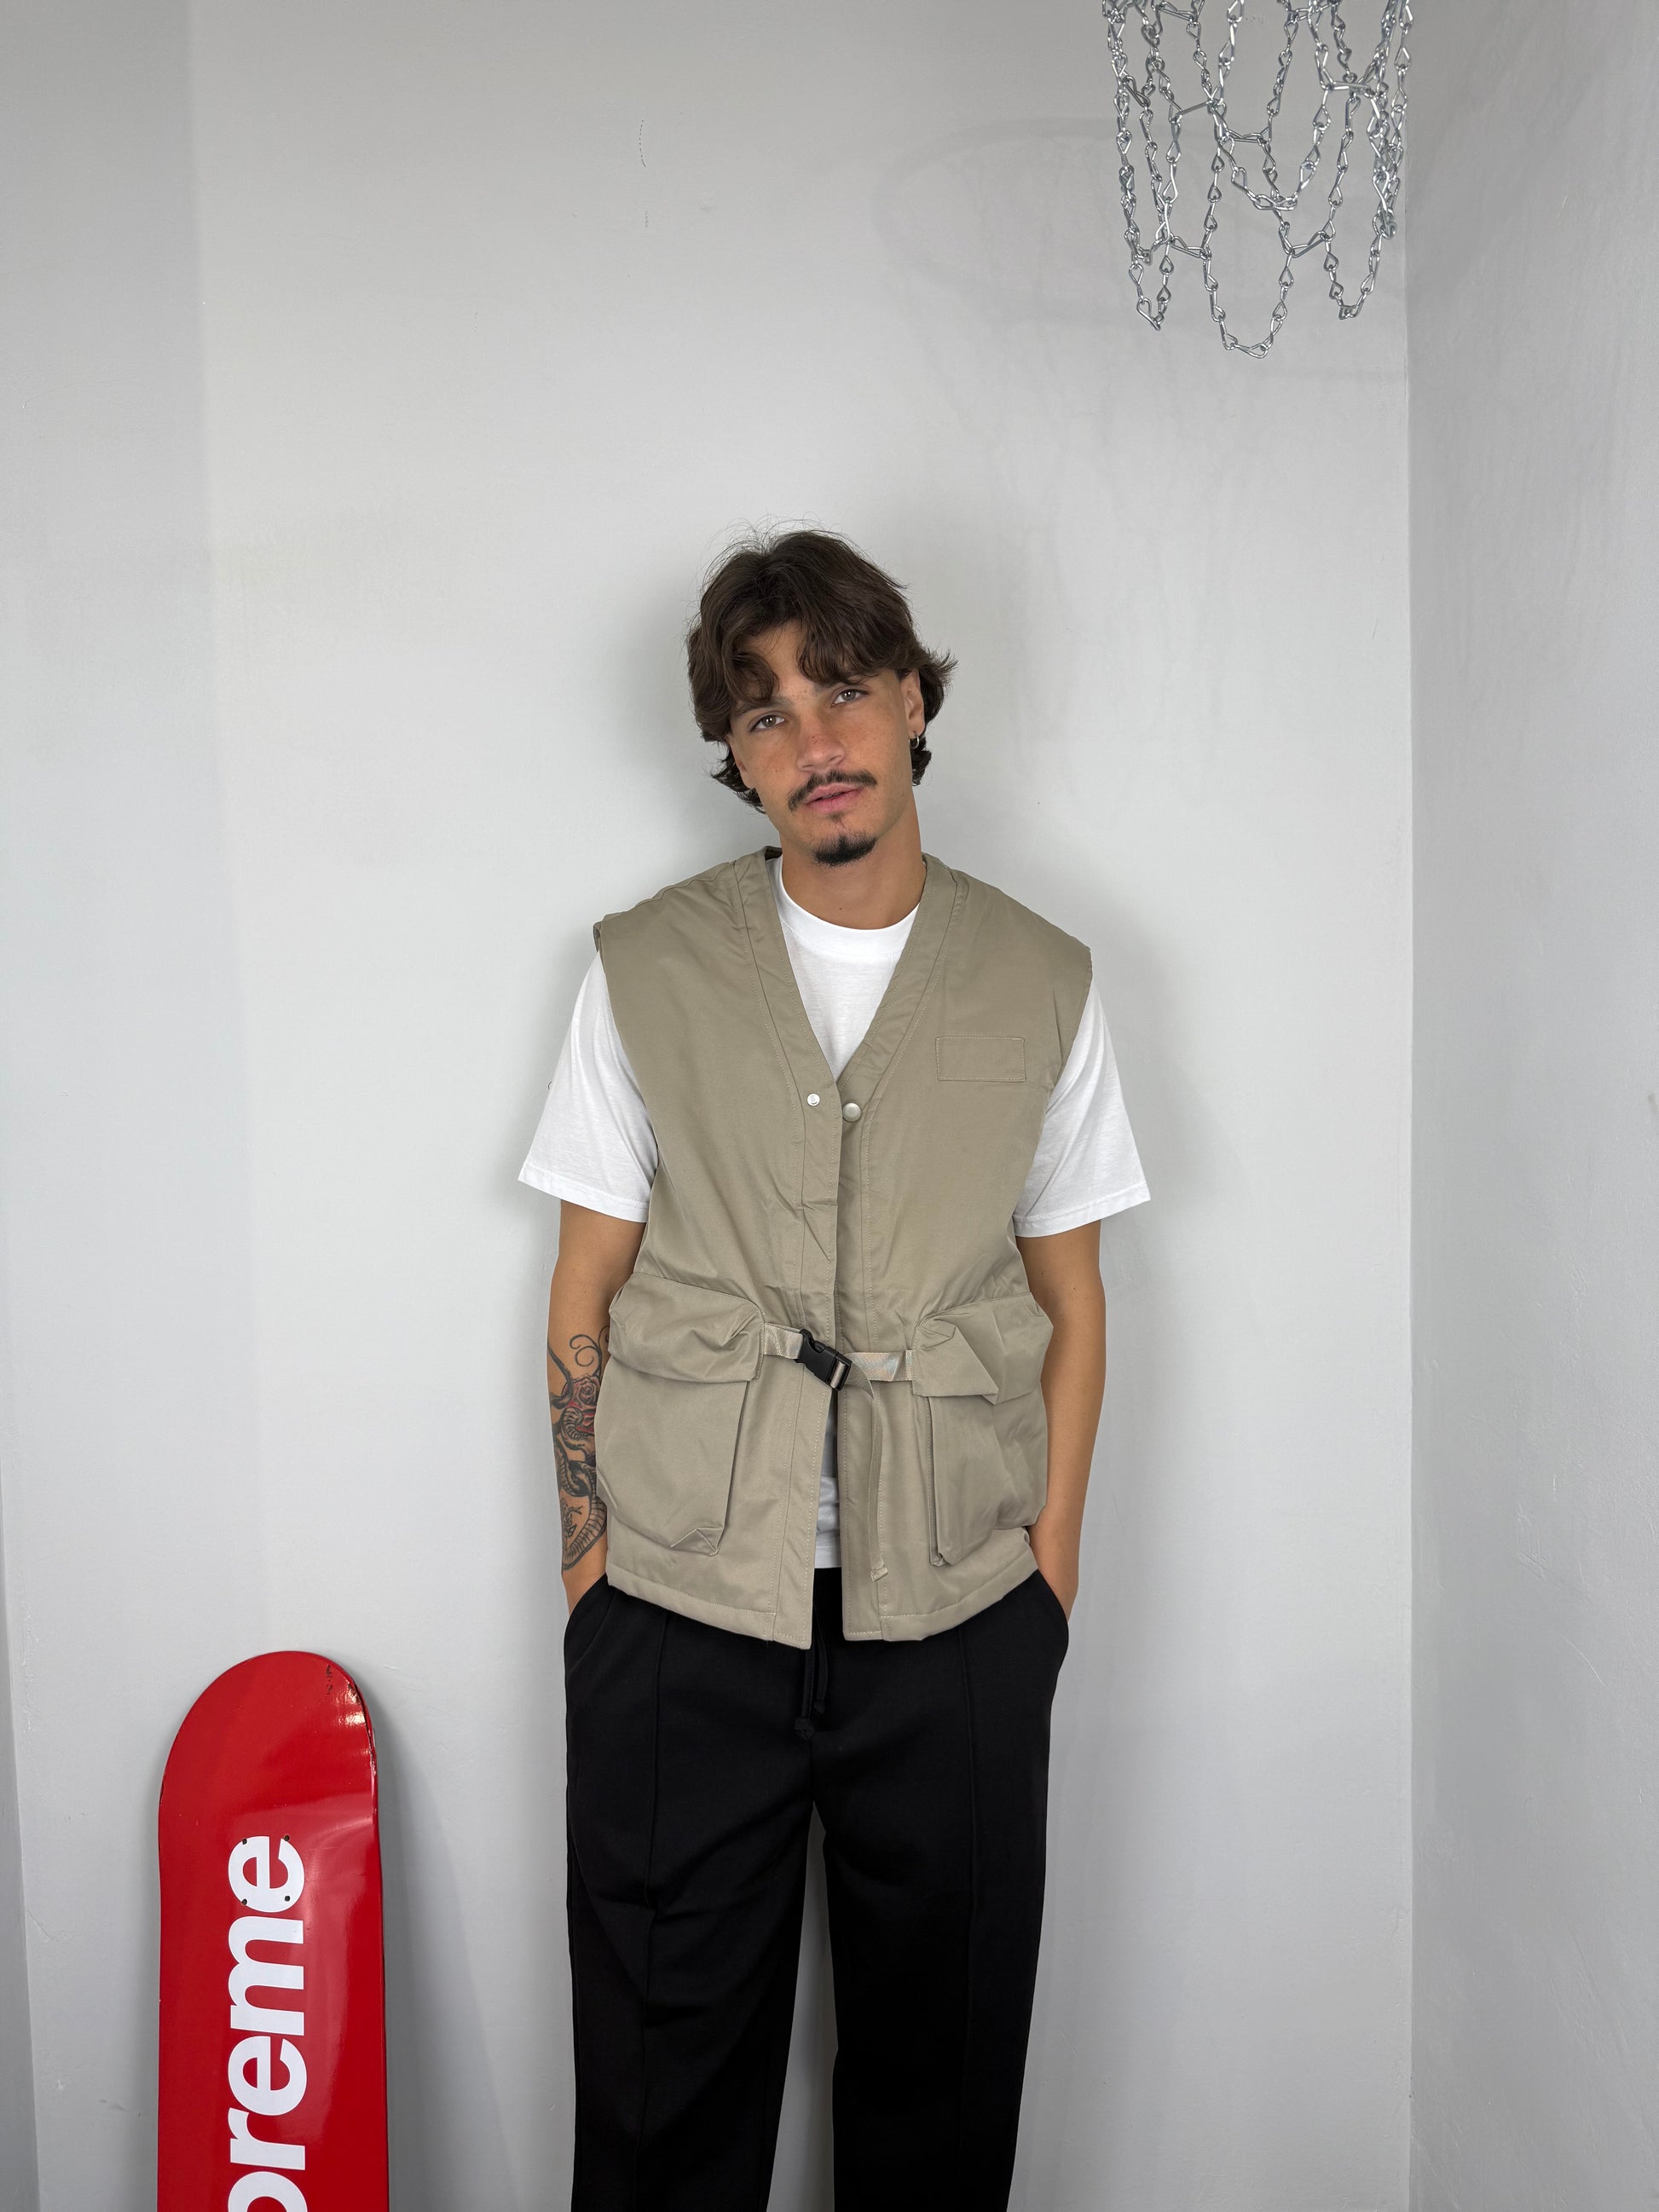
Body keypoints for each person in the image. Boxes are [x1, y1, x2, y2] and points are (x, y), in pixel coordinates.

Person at [519, 528, 1147, 2211]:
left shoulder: (1042, 981)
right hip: (676, 1605)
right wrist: (589, 1568)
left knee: (940, 2093)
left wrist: (1045, 1577)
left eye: (844, 689)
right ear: (734, 756)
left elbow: (1073, 1297)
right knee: (657, 2102)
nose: (813, 740)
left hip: (957, 1610)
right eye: (765, 713)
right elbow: (584, 1276)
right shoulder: (645, 967)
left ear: (915, 699)